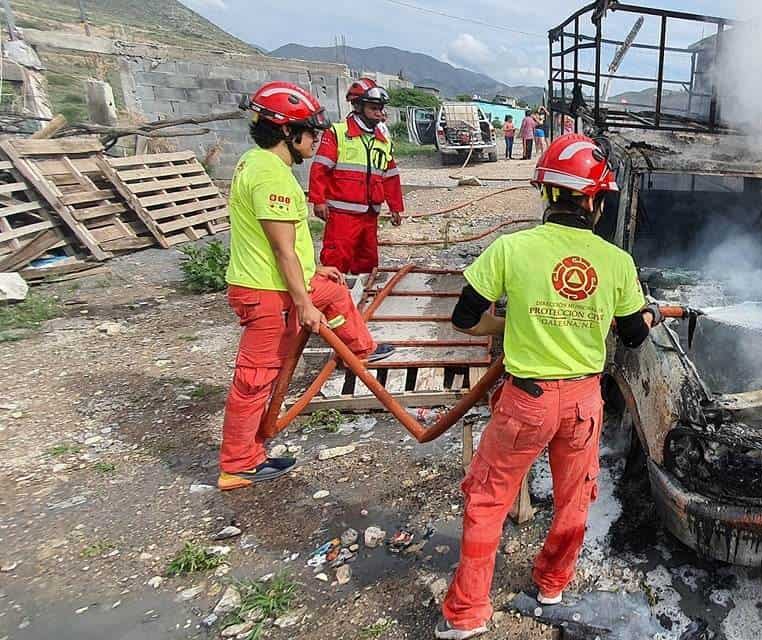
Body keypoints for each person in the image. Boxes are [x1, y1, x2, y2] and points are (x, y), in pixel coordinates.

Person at [434, 133, 664, 639]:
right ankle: (552, 584)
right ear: (594, 200)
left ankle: (468, 612)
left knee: (488, 498)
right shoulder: (616, 263)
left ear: (548, 195)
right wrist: (648, 314)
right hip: (583, 403)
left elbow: (464, 318)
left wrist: (511, 327)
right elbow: (630, 335)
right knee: (575, 497)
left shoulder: (511, 249)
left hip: (525, 401)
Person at [218, 81, 395, 491]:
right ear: (286, 131)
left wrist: (315, 275)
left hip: (277, 282)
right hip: (267, 292)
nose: (316, 139)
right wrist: (303, 302)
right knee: (255, 378)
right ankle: (239, 462)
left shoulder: (261, 164)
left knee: (335, 292)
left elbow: (289, 246)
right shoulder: (271, 178)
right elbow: (281, 250)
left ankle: (362, 350)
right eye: (310, 132)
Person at [308, 78, 405, 277]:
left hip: (370, 214)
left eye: (381, 108)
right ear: (358, 106)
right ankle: (332, 301)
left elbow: (390, 177)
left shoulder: (382, 141)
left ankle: (362, 302)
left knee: (368, 261)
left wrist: (395, 207)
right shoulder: (338, 133)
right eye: (374, 108)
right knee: (337, 259)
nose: (379, 113)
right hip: (343, 214)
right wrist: (318, 201)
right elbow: (320, 169)